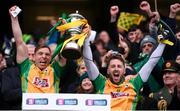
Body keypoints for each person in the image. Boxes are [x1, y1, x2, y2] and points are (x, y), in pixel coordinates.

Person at [83, 29, 166, 110]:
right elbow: (88, 62)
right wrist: (86, 40)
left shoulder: (134, 83)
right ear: (108, 70)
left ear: (124, 70)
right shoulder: (101, 83)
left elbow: (151, 62)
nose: (116, 69)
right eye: (113, 66)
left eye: (119, 66)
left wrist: (162, 43)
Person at [9, 6, 65, 93]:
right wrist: (14, 19)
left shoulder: (55, 70)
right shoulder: (26, 67)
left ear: (51, 58)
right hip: (30, 106)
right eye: (40, 53)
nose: (44, 56)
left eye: (47, 54)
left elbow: (63, 47)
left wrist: (64, 30)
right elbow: (19, 42)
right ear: (34, 57)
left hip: (51, 106)